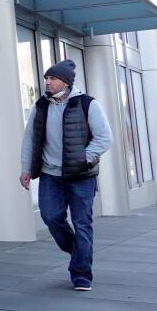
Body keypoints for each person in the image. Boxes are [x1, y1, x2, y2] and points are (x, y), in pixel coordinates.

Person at [20, 58, 112, 291]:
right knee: (51, 217)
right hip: (51, 175)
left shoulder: (87, 104)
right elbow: (30, 139)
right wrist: (26, 169)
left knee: (82, 224)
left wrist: (85, 157)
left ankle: (81, 273)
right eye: (46, 79)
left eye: (52, 78)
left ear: (66, 82)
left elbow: (104, 137)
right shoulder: (41, 106)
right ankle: (79, 251)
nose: (47, 82)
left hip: (81, 176)